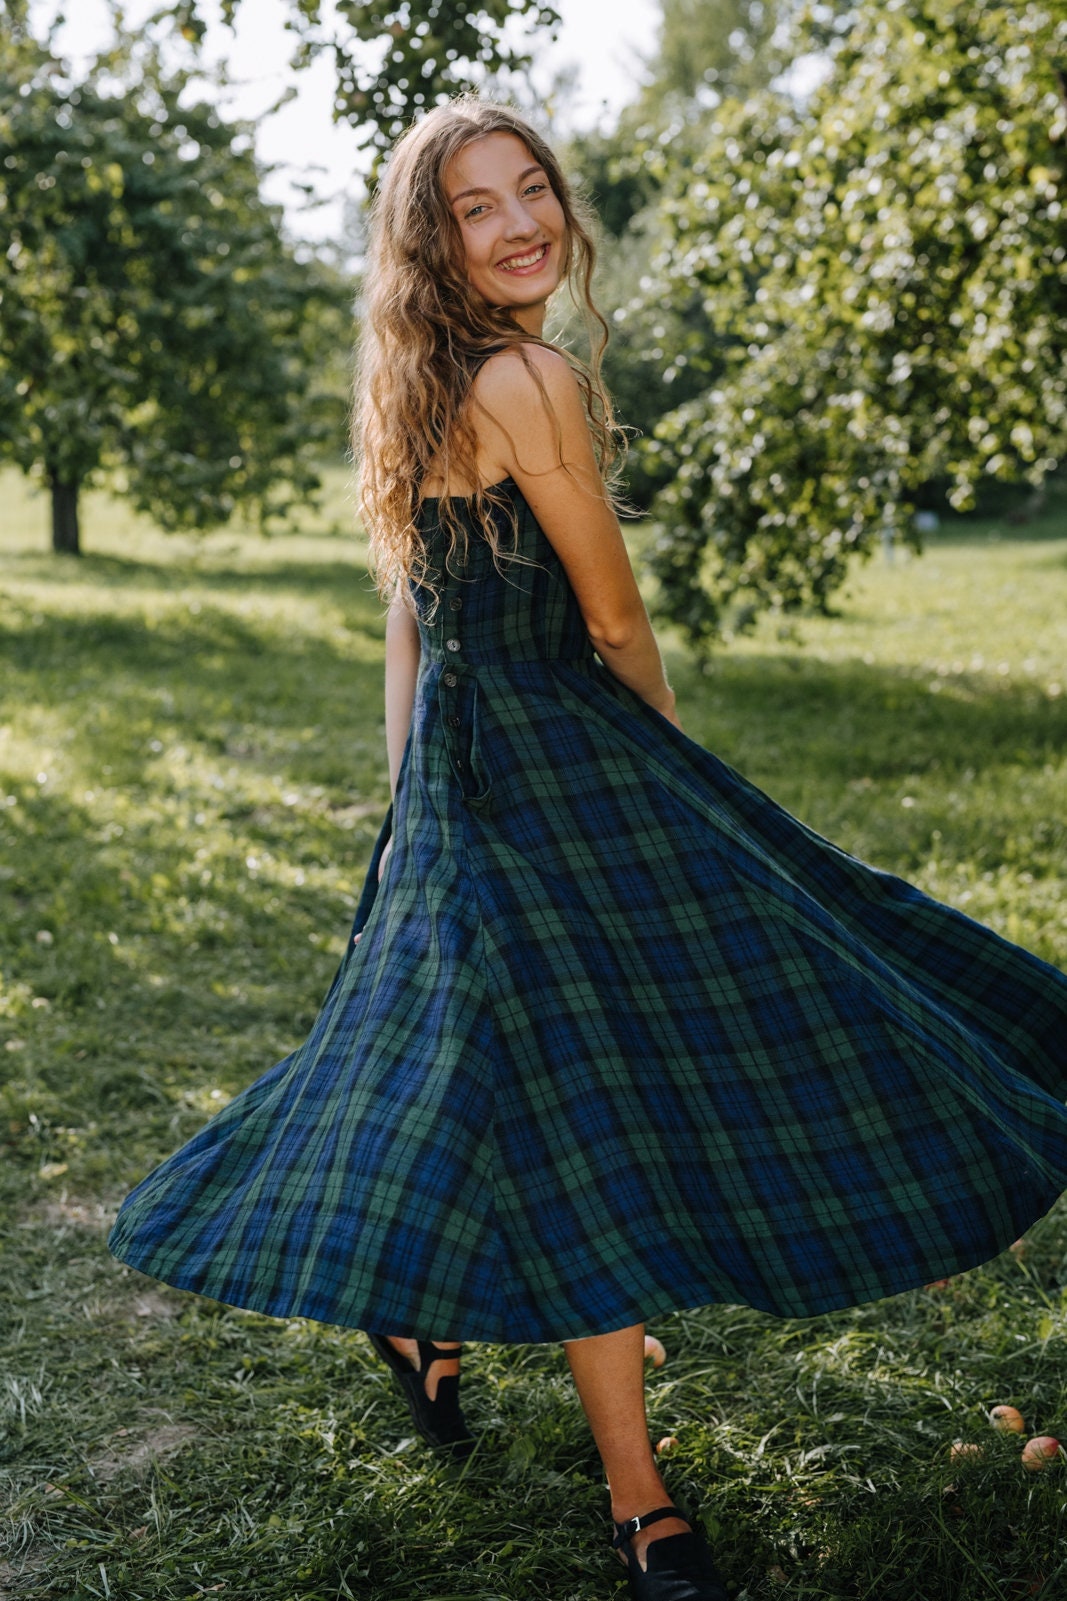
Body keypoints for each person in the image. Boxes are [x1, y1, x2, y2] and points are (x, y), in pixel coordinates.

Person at [109, 99, 1067, 1601]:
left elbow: (410, 613)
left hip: (459, 771)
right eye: (477, 208)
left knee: (500, 1083)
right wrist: (677, 783)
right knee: (607, 1091)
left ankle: (424, 1327)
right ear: (434, 244)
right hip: (555, 768)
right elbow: (612, 619)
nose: (517, 224)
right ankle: (638, 1498)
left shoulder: (418, 376)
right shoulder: (528, 375)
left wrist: (409, 787)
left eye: (531, 190)